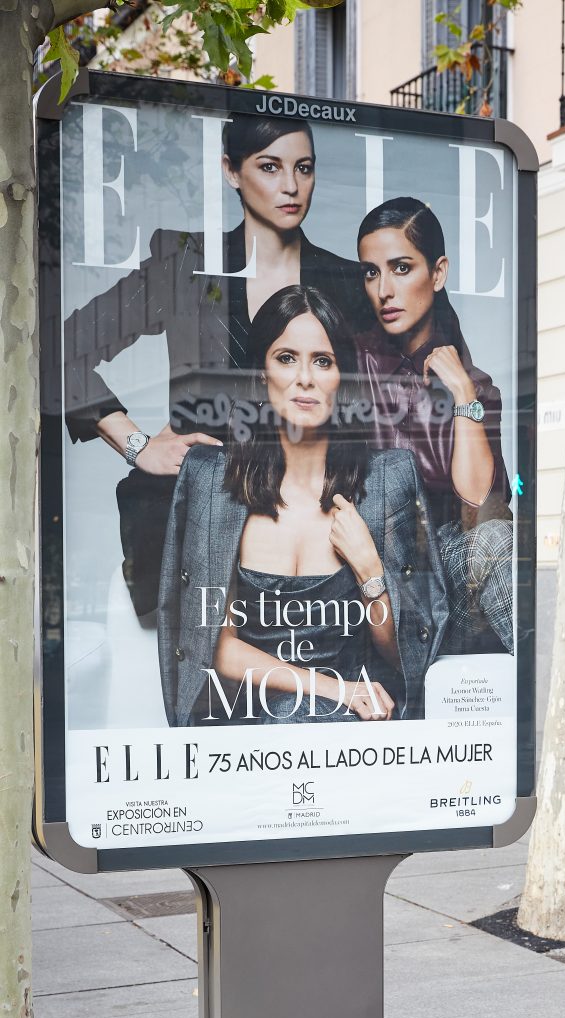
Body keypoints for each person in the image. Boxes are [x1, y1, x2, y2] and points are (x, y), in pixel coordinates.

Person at [64, 113, 364, 619]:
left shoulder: (345, 281)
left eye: (304, 168)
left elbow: (377, 397)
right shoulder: (184, 265)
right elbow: (64, 348)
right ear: (231, 170)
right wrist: (136, 444)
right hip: (190, 517)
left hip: (309, 528)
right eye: (270, 167)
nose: (291, 186)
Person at [158, 286, 448, 727]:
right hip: (249, 725)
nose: (305, 378)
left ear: (342, 379)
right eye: (286, 358)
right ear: (261, 373)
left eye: (323, 361)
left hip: (348, 732)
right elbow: (212, 644)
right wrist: (337, 690)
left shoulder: (386, 482)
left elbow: (403, 653)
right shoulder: (214, 482)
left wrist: (371, 572)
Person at [356, 197, 514, 654]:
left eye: (401, 268)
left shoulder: (476, 387)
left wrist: (464, 397)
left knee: (498, 539)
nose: (384, 289)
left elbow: (479, 514)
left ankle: (537, 702)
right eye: (372, 272)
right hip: (371, 579)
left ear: (438, 273)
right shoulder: (351, 364)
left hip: (440, 586)